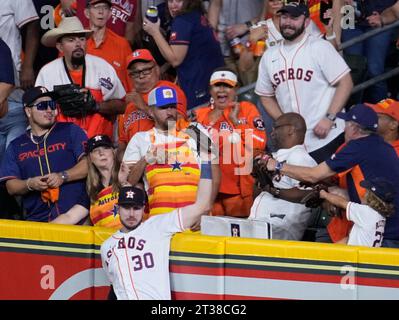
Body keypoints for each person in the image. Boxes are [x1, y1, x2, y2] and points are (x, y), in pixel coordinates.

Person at [263, 103, 399, 248]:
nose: (343, 128)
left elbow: (313, 175)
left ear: (354, 128)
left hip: (381, 235)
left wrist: (276, 165)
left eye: (346, 123)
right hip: (386, 228)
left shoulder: (358, 146)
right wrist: (329, 190)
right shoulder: (383, 146)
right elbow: (352, 188)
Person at [100, 158, 213, 300]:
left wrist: (207, 160)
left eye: (136, 208)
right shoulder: (106, 247)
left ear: (143, 209)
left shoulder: (157, 226)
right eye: (126, 208)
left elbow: (201, 205)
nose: (131, 214)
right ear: (117, 209)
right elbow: (115, 288)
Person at [255, 2, 353, 164]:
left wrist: (329, 118)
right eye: (284, 17)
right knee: (303, 188)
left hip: (328, 136)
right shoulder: (269, 56)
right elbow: (265, 95)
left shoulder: (320, 47)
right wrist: (285, 121)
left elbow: (346, 83)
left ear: (306, 22)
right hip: (295, 145)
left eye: (294, 18)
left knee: (333, 186)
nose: (288, 22)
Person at [122, 85, 219, 218]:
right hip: (160, 221)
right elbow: (128, 182)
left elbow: (214, 169)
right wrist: (146, 159)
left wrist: (206, 208)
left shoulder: (195, 130)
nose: (170, 112)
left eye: (172, 106)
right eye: (163, 108)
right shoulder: (140, 139)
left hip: (196, 217)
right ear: (150, 111)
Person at [0, 86, 90, 224]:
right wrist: (30, 184)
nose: (49, 110)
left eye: (52, 105)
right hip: (37, 222)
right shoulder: (15, 146)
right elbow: (11, 186)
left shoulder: (70, 130)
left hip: (78, 218)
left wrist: (63, 176)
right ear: (28, 111)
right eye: (42, 106)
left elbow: (88, 164)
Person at [35, 16, 126, 139]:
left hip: (100, 144)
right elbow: (37, 112)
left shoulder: (102, 66)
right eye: (71, 40)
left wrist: (96, 106)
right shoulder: (47, 73)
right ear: (60, 47)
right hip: (62, 143)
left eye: (82, 39)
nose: (78, 44)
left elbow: (121, 106)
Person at [196, 68, 266, 217]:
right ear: (210, 89)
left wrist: (237, 122)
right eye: (217, 85)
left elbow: (259, 144)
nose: (222, 90)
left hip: (239, 193)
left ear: (236, 89)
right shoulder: (200, 115)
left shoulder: (247, 110)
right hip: (207, 190)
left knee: (240, 235)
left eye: (227, 85)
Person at [142, 0, 224, 109]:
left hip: (201, 90)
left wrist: (155, 32)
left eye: (179, 1)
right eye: (170, 1)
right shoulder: (196, 16)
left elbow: (175, 60)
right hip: (214, 85)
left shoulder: (183, 20)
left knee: (200, 124)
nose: (173, 5)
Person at [249, 113, 317, 240]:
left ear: (290, 129)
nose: (272, 132)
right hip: (263, 222)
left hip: (282, 225)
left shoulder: (300, 156)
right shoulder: (274, 157)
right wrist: (261, 179)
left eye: (276, 127)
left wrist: (274, 191)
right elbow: (260, 193)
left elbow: (309, 194)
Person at [117, 49, 187, 160]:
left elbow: (178, 125)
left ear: (157, 69)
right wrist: (128, 160)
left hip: (165, 158)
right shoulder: (130, 103)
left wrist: (143, 106)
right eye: (135, 73)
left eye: (146, 70)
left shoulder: (168, 89)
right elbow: (122, 144)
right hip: (137, 167)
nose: (141, 76)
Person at [342, 0, 396, 103]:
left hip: (382, 15)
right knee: (354, 71)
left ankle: (384, 112)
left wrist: (384, 18)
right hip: (348, 15)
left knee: (374, 70)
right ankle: (353, 113)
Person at [320, 177, 396, 247]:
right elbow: (351, 238)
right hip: (367, 257)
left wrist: (324, 194)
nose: (364, 193)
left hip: (357, 258)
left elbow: (341, 202)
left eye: (367, 192)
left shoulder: (366, 212)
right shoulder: (381, 216)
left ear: (372, 197)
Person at [85, 0, 133, 91]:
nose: (101, 12)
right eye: (96, 7)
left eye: (105, 8)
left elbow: (131, 84)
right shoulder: (77, 42)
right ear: (87, 13)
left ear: (110, 14)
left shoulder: (122, 45)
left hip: (114, 102)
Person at [86, 134, 124, 228]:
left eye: (105, 148)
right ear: (90, 158)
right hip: (105, 240)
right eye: (95, 150)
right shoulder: (90, 189)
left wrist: (124, 183)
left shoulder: (128, 174)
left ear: (113, 152)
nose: (101, 153)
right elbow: (71, 216)